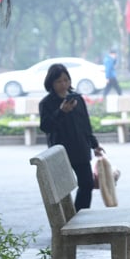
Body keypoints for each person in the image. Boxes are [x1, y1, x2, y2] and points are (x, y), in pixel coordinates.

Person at [39, 63, 105, 210]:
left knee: (87, 184)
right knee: (63, 191)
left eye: (65, 80)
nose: (63, 84)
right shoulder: (46, 103)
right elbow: (45, 127)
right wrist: (61, 112)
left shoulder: (78, 99)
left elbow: (85, 124)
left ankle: (80, 216)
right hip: (60, 151)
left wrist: (95, 145)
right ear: (51, 83)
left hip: (80, 148)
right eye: (58, 81)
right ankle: (67, 220)